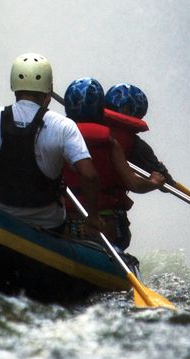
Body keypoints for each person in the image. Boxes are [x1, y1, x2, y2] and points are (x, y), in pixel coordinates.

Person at [0, 53, 103, 234]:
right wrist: (93, 215)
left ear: (13, 85)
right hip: (48, 223)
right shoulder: (63, 126)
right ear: (49, 90)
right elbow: (89, 175)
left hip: (2, 216)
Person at [63, 77, 165, 249]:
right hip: (108, 226)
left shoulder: (57, 133)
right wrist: (155, 182)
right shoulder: (113, 142)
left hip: (63, 221)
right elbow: (134, 184)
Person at [104, 83, 175, 184]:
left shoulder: (80, 122)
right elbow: (165, 181)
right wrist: (161, 170)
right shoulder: (137, 147)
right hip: (105, 198)